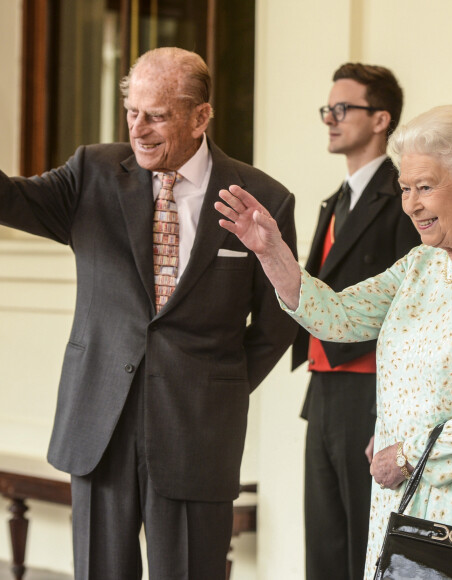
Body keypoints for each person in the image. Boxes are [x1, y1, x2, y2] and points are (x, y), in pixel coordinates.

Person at [216, 104, 452, 579]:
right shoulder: (422, 264)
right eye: (405, 188)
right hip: (403, 498)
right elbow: (339, 316)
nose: (411, 204)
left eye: (425, 187)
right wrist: (273, 253)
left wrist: (407, 454)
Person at [0, 47, 298, 579]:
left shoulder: (263, 199)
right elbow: (9, 198)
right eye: (132, 111)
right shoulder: (91, 172)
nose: (138, 128)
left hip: (198, 429)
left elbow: (277, 321)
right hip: (100, 425)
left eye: (156, 115)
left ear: (200, 115)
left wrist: (220, 385)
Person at [291, 63, 420, 580]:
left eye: (343, 109)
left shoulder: (404, 198)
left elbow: (411, 314)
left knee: (363, 550)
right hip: (322, 390)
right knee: (322, 544)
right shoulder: (335, 200)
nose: (331, 118)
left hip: (370, 394)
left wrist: (394, 415)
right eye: (328, 109)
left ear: (381, 119)